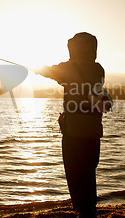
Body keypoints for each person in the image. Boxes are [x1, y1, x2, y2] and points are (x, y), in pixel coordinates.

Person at [36, 32, 105, 217]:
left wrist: (36, 68)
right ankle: (90, 212)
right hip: (94, 133)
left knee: (75, 178)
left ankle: (85, 214)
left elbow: (50, 72)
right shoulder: (99, 69)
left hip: (74, 133)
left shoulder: (71, 68)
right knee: (89, 177)